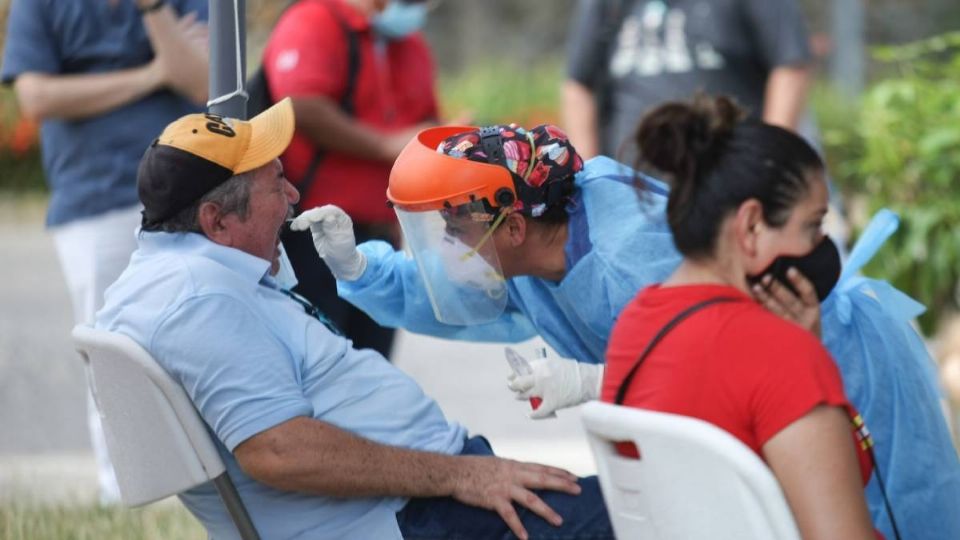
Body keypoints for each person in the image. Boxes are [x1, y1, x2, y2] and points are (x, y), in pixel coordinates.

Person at [293, 120, 960, 538]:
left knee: (895, 513)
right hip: (769, 390)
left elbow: (728, 360)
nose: (443, 249)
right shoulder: (534, 233)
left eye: (451, 230)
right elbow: (461, 296)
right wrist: (362, 271)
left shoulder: (626, 257)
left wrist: (597, 378)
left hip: (841, 364)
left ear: (513, 227)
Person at [96, 99, 613, 540]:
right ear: (217, 221)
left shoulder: (174, 276)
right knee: (656, 514)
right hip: (416, 515)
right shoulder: (200, 302)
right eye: (277, 184)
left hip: (424, 502)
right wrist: (461, 475)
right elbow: (279, 452)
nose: (294, 197)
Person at [602, 95, 877, 539]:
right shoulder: (784, 358)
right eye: (812, 226)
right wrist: (803, 354)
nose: (821, 246)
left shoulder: (637, 323)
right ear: (750, 227)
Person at [1, 0, 209, 504]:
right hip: (94, 203)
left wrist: (153, 11)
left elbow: (204, 84)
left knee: (199, 342)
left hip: (189, 196)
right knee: (113, 354)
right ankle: (124, 490)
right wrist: (151, 75)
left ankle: (205, 484)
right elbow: (37, 96)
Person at [261, 0, 439, 358]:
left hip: (380, 235)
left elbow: (422, 126)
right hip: (311, 231)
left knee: (372, 366)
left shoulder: (411, 42)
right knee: (317, 364)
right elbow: (300, 103)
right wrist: (384, 144)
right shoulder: (315, 19)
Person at [563, 0, 813, 161]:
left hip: (725, 185)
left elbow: (790, 65)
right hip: (631, 191)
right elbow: (578, 84)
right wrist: (591, 176)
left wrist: (769, 162)